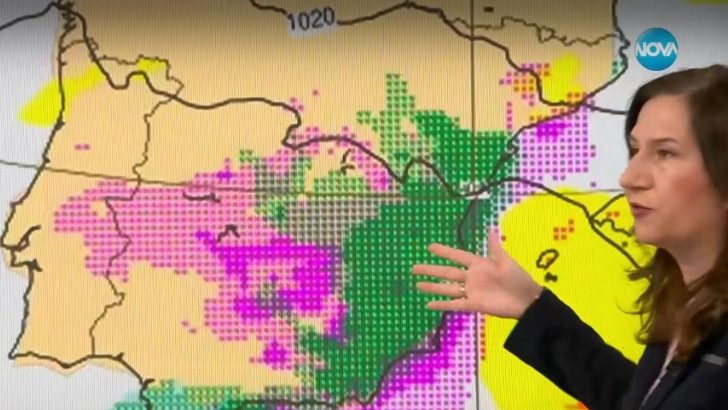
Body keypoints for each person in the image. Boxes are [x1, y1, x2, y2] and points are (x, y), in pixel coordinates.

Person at [412, 64, 728, 410]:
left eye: (664, 153)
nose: (629, 177)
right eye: (635, 150)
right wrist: (531, 307)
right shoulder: (685, 306)